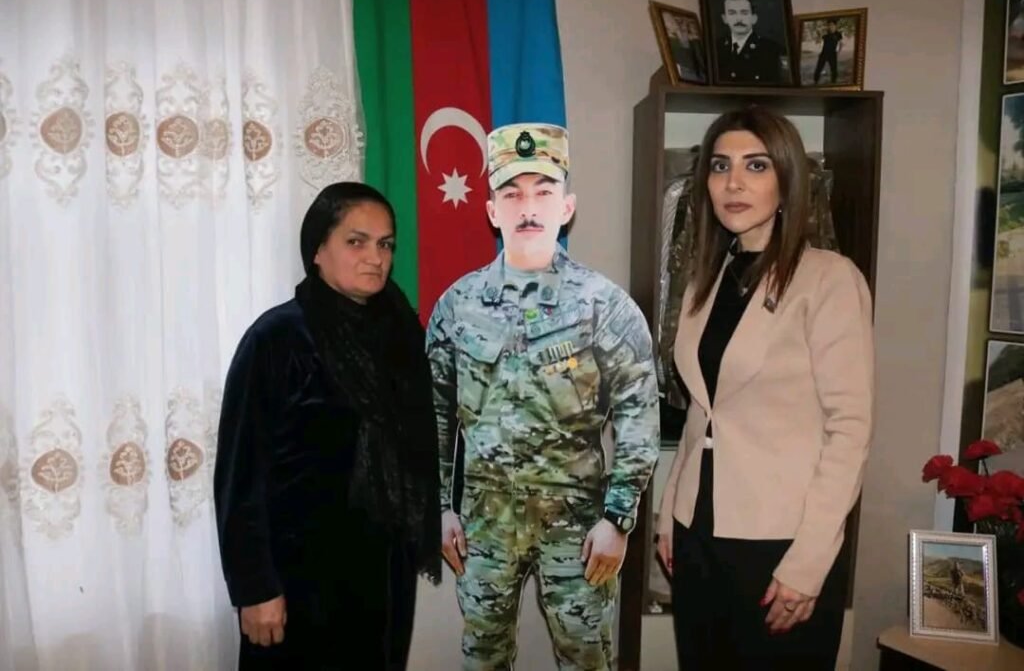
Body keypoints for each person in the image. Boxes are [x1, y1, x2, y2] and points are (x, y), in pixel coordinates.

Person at [425, 123, 661, 670]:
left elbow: (639, 419)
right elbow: (433, 415)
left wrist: (618, 520)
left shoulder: (605, 306)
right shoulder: (458, 305)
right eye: (511, 194)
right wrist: (438, 508)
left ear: (566, 207)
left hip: (578, 528)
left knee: (586, 660)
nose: (528, 208)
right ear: (492, 211)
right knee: (482, 658)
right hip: (485, 525)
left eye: (543, 192)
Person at [655, 106, 874, 670]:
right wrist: (671, 511)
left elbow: (849, 432)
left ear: (787, 179)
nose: (733, 183)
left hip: (781, 544)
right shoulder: (705, 279)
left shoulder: (829, 279)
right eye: (720, 166)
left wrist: (809, 563)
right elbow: (705, 409)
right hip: (699, 535)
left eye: (755, 165)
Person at [213, 182, 442, 670]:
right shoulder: (277, 338)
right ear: (317, 249)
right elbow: (240, 475)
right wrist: (255, 588)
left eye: (385, 244)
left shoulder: (400, 336)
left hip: (382, 579)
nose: (375, 257)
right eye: (356, 241)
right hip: (299, 584)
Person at [714, 0, 786, 84]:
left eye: (744, 13)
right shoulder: (716, 48)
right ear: (724, 19)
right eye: (732, 13)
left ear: (754, 18)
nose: (739, 19)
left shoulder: (771, 49)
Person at [813, 19, 843, 84]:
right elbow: (819, 41)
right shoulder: (825, 33)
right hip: (824, 53)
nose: (830, 26)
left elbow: (841, 43)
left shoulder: (838, 34)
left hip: (832, 54)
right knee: (819, 67)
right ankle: (815, 81)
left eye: (832, 25)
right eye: (829, 25)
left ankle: (833, 82)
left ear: (835, 26)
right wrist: (819, 34)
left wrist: (838, 52)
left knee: (834, 69)